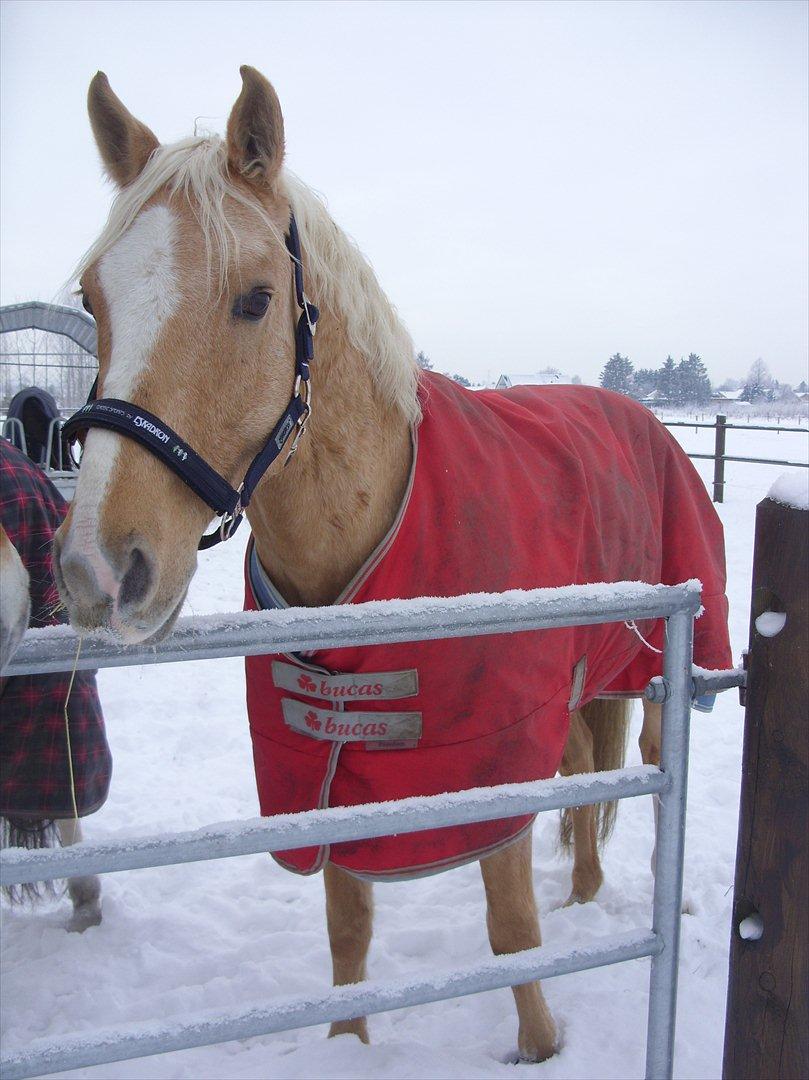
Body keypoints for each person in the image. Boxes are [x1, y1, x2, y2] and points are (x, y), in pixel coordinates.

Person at [0, 438, 111, 929]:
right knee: (56, 739)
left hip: (34, 630)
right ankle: (83, 885)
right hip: (57, 637)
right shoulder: (18, 464)